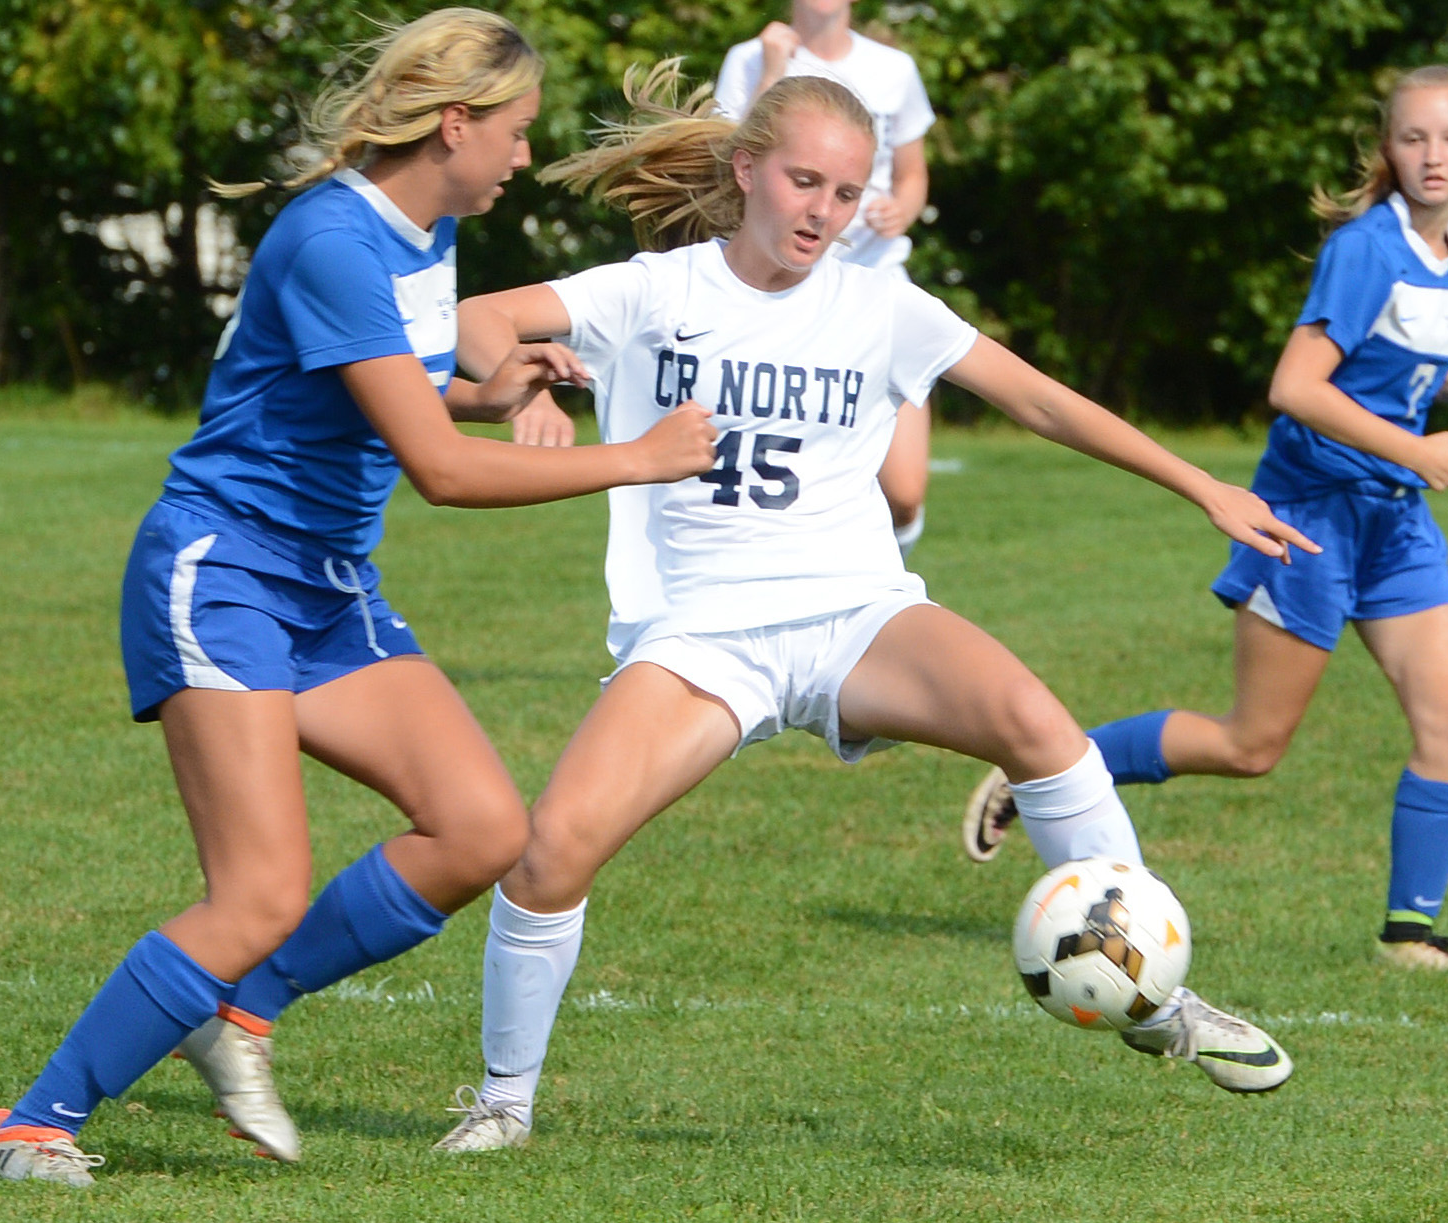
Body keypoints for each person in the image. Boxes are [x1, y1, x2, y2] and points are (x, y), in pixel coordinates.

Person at [427, 63, 1318, 1154]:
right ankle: (503, 1104)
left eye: (847, 195)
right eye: (804, 182)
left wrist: (1202, 484)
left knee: (1041, 728)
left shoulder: (879, 305)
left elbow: (1036, 396)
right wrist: (517, 371)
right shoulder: (656, 292)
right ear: (748, 170)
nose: (823, 212)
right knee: (551, 848)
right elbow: (474, 319)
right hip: (704, 636)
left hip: (856, 616)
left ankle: (1155, 998)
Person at [0, 10, 716, 1189]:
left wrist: (484, 386)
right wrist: (638, 457)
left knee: (480, 831)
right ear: (454, 124)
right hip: (225, 577)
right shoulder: (334, 240)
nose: (523, 157)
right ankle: (29, 1128)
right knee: (257, 889)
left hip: (323, 586)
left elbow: (395, 401)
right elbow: (442, 474)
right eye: (512, 133)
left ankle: (242, 1011)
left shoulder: (425, 231)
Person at [963, 65, 1448, 974]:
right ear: (1388, 147)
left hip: (1391, 521)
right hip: (1310, 512)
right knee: (1251, 746)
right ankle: (1055, 764)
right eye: (1412, 138)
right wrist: (1412, 447)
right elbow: (1293, 387)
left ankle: (1409, 935)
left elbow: (1384, 345)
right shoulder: (1367, 245)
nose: (1432, 156)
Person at [714, 0, 937, 558]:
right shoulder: (750, 57)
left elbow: (912, 174)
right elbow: (727, 163)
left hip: (875, 279)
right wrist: (771, 69)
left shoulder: (893, 68)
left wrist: (903, 210)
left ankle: (884, 584)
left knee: (904, 495)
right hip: (782, 295)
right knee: (795, 484)